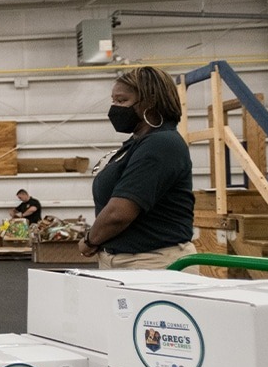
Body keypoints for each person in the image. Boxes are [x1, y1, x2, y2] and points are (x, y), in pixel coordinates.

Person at [78, 66, 196, 269]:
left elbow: (119, 214)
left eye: (122, 101)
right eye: (114, 101)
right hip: (122, 260)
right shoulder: (137, 144)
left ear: (150, 102)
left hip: (151, 263)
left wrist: (89, 241)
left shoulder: (161, 144)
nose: (115, 108)